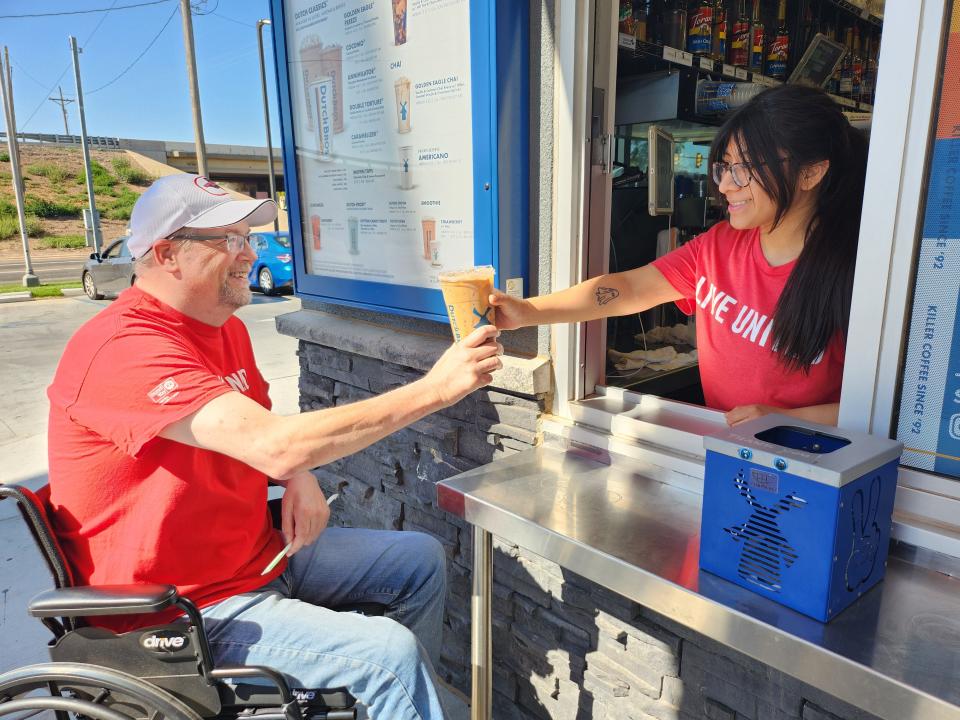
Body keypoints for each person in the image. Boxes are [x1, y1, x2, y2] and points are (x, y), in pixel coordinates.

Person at [46, 173, 503, 720]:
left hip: (255, 556)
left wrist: (298, 479)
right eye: (229, 240)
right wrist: (436, 389)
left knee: (419, 561)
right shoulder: (125, 347)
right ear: (167, 254)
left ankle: (387, 707)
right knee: (386, 656)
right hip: (179, 610)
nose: (248, 253)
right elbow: (276, 445)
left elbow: (264, 431)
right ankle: (391, 693)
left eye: (249, 238)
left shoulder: (221, 326)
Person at [492, 84, 868, 427]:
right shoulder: (718, 246)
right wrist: (527, 312)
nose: (723, 185)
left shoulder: (853, 274)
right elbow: (628, 288)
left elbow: (880, 410)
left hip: (808, 469)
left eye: (745, 170)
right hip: (725, 450)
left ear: (811, 173)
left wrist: (785, 421)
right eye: (724, 167)